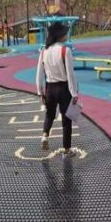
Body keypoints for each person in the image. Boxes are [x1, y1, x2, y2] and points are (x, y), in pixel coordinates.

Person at [35, 22, 80, 157]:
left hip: (50, 87)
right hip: (64, 88)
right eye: (65, 33)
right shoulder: (65, 51)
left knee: (50, 114)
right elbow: (70, 74)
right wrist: (74, 93)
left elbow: (39, 73)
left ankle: (45, 135)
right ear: (60, 35)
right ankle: (66, 149)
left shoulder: (44, 51)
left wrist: (40, 92)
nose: (66, 35)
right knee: (66, 119)